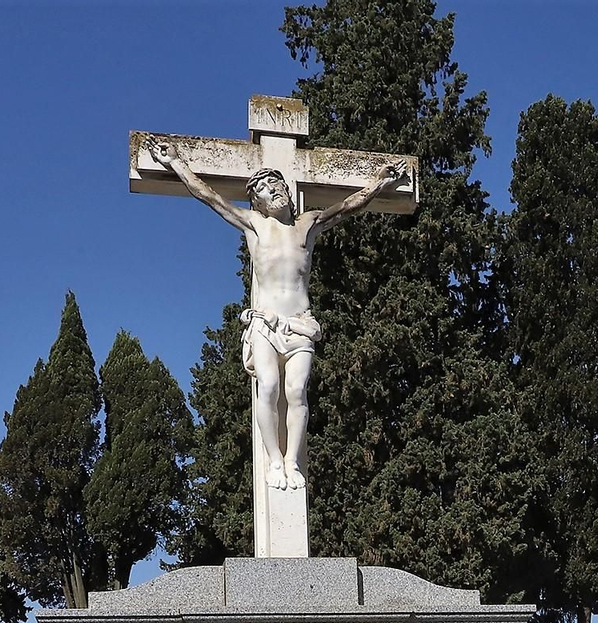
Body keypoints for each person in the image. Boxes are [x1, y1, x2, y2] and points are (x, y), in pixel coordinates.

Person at [146, 135, 408, 493]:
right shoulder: (255, 225)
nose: (275, 191)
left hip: (300, 323)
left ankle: (291, 461)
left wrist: (379, 182)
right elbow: (208, 196)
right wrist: (176, 162)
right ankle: (273, 459)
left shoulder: (308, 224)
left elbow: (349, 206)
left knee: (297, 390)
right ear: (258, 201)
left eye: (278, 184)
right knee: (268, 386)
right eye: (266, 189)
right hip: (265, 324)